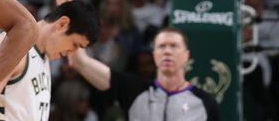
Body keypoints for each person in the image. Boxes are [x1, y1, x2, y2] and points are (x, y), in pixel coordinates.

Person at [0, 0, 100, 121]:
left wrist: (67, 6)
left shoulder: (43, 53)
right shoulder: (15, 45)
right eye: (74, 45)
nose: (70, 53)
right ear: (62, 24)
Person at [69, 27, 222, 120]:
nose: (167, 51)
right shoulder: (133, 89)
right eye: (162, 46)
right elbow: (80, 62)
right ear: (154, 55)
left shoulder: (205, 102)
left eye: (174, 46)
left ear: (186, 55)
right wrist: (68, 11)